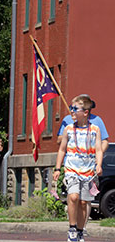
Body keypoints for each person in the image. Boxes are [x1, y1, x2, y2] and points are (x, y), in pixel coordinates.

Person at [57, 94, 109, 236]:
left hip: (88, 167)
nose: (72, 110)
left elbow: (103, 142)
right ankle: (73, 227)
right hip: (72, 166)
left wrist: (97, 159)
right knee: (73, 197)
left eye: (75, 108)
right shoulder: (68, 121)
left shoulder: (97, 122)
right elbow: (60, 142)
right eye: (72, 107)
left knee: (84, 201)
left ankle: (82, 227)